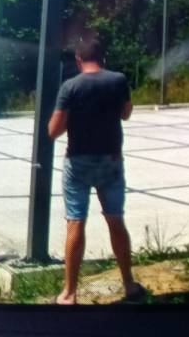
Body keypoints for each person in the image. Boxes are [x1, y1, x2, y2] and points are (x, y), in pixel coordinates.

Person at [47, 38, 146, 305]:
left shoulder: (70, 86)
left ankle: (69, 293)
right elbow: (126, 114)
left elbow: (53, 130)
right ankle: (129, 285)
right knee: (116, 221)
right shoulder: (118, 80)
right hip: (111, 160)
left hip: (78, 162)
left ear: (78, 59)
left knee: (75, 222)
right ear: (103, 57)